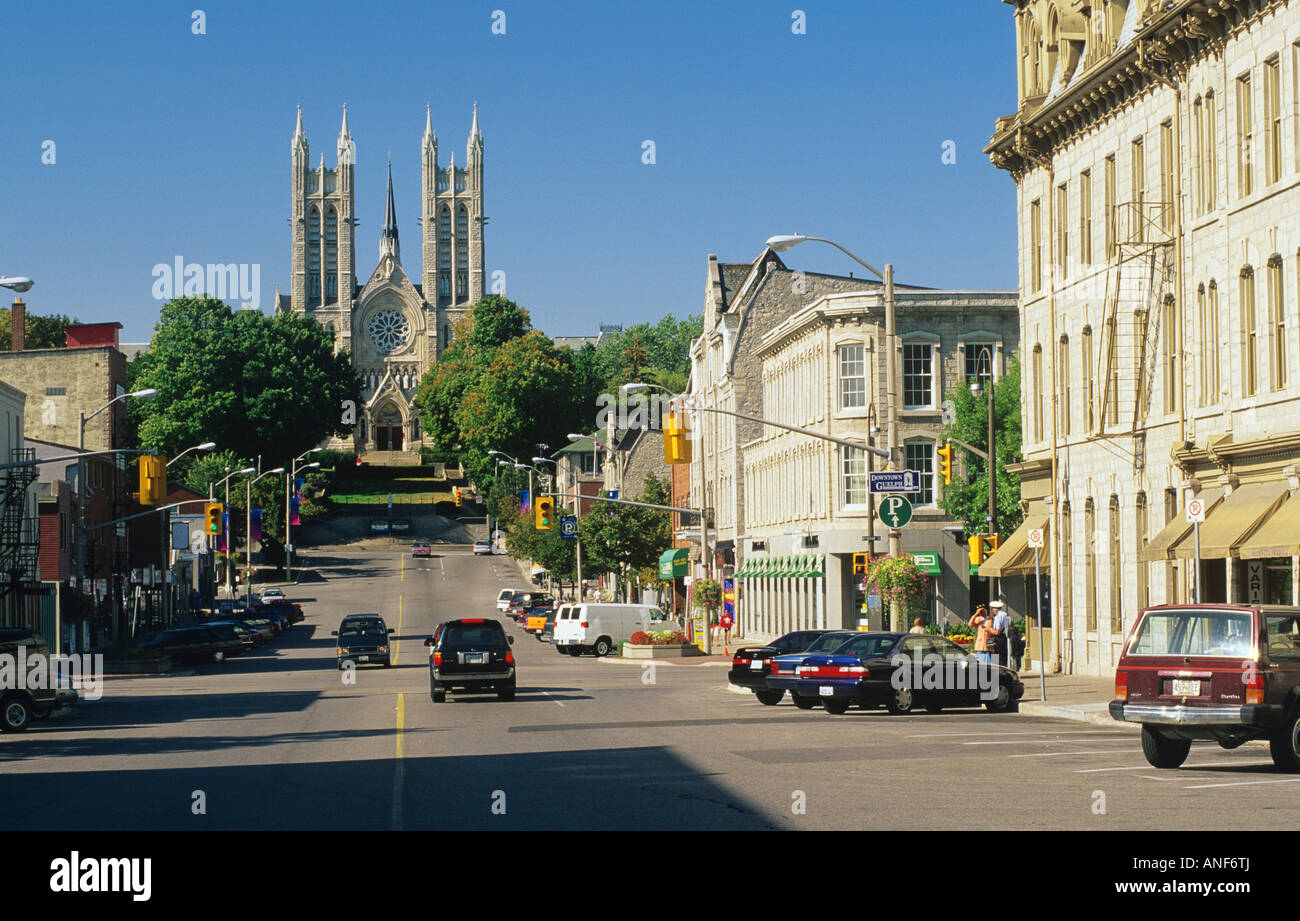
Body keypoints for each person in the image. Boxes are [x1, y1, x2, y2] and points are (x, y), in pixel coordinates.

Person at [988, 600, 1011, 666]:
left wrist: (989, 629)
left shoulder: (998, 617)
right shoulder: (1006, 615)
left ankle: (997, 673)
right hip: (1004, 638)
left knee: (996, 658)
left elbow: (997, 632)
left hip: (998, 639)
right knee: (1003, 657)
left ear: (995, 610)